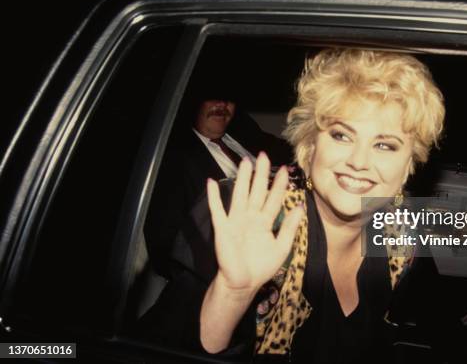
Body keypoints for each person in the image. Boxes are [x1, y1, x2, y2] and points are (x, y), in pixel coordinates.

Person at [138, 48, 445, 363]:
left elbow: (435, 322)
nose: (359, 161)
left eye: (384, 144)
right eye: (341, 136)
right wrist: (232, 293)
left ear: (409, 163)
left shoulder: (402, 236)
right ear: (310, 147)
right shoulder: (251, 217)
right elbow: (159, 348)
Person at [144, 95, 293, 279]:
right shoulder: (173, 162)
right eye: (212, 96)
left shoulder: (242, 133)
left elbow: (291, 153)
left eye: (229, 97)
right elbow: (165, 249)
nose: (222, 104)